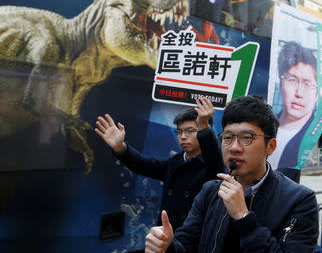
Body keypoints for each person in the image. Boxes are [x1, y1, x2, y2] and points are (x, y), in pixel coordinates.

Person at [144, 96, 319, 253]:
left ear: (270, 146)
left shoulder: (300, 201)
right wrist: (166, 247)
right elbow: (185, 250)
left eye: (246, 138)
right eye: (227, 137)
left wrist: (243, 217)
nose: (234, 147)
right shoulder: (210, 191)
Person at [94, 96, 226, 233]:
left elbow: (213, 154)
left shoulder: (212, 165)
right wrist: (120, 147)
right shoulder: (175, 163)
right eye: (179, 132)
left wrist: (204, 125)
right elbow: (141, 164)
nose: (183, 137)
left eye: (190, 131)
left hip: (193, 241)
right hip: (166, 238)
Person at [269, 41, 318, 171]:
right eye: (292, 80)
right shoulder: (266, 127)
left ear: (317, 92)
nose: (299, 93)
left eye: (307, 84)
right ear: (280, 81)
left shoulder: (312, 134)